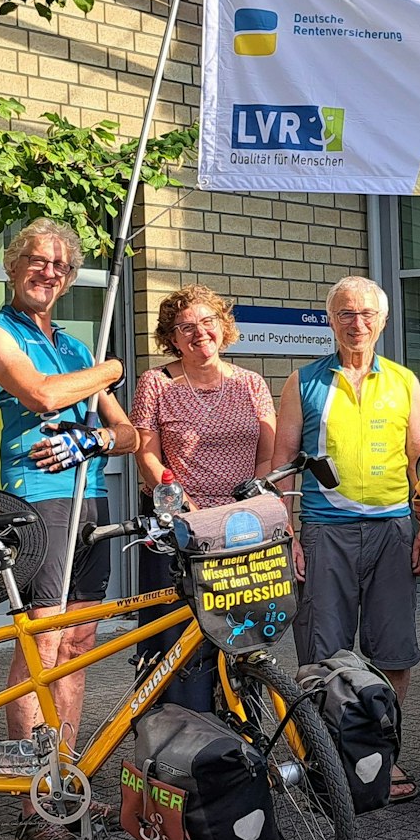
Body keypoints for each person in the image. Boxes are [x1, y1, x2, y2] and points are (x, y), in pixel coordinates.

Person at [0, 217, 137, 840]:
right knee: (41, 645)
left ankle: (63, 780)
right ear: (13, 265)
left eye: (61, 266)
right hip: (30, 504)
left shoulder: (73, 348)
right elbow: (37, 395)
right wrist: (114, 366)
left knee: (80, 643)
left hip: (86, 501)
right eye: (38, 260)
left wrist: (93, 438)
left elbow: (132, 435)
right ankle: (33, 806)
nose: (49, 272)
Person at [276, 276, 420, 805]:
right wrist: (288, 535)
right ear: (331, 320)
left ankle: (380, 758)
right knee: (322, 651)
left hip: (393, 528)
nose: (357, 323)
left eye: (367, 314)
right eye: (346, 313)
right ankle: (328, 762)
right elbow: (283, 465)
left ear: (382, 322)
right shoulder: (304, 381)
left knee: (393, 650)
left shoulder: (404, 381)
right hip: (325, 530)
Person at [131, 285, 277, 711]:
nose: (199, 333)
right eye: (185, 328)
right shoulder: (155, 383)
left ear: (222, 326)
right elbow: (146, 452)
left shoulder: (251, 383)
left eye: (207, 322)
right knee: (177, 629)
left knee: (240, 625)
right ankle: (178, 722)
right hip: (178, 525)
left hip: (240, 524)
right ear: (172, 338)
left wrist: (252, 504)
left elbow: (266, 453)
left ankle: (241, 720)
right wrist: (182, 507)